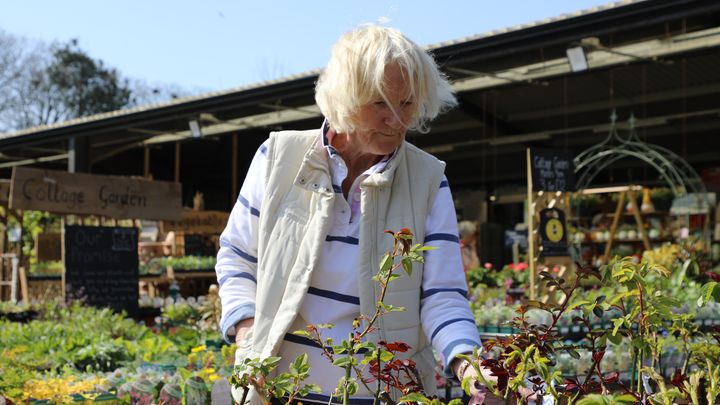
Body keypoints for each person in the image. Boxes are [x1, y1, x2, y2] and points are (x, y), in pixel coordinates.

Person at [216, 25, 496, 405]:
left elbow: (442, 296)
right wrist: (248, 329)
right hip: (278, 391)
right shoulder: (278, 158)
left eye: (408, 104)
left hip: (383, 394)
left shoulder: (428, 182)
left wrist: (470, 367)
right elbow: (237, 255)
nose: (397, 121)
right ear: (344, 99)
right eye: (381, 103)